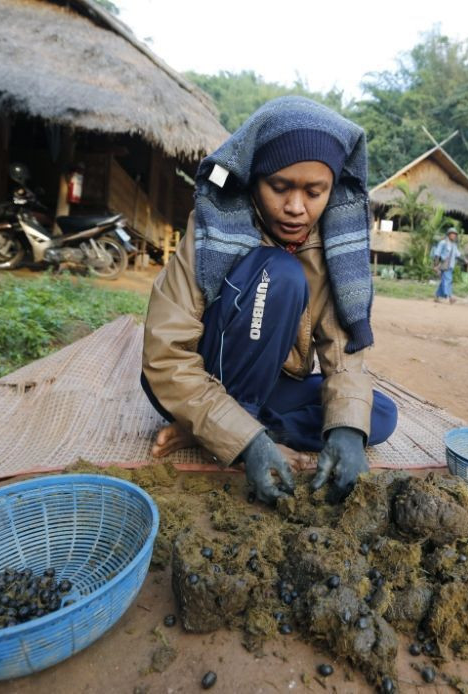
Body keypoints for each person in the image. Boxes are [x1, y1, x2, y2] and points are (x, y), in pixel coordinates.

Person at [141, 97, 398, 505]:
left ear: (332, 187)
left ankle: (218, 428)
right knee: (280, 274)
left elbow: (342, 351)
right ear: (254, 177)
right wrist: (250, 447)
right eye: (279, 188)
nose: (296, 208)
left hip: (270, 385)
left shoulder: (335, 244)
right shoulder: (213, 225)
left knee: (374, 415)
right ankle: (238, 432)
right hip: (204, 374)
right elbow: (166, 356)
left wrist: (346, 432)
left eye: (315, 192)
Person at [433, 227, 464, 303]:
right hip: (444, 265)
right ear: (448, 234)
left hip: (450, 266)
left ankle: (437, 296)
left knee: (444, 281)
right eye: (452, 234)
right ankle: (450, 297)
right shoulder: (443, 243)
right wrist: (435, 266)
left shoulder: (454, 245)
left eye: (455, 235)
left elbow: (458, 255)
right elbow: (437, 254)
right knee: (448, 280)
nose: (454, 236)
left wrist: (465, 260)